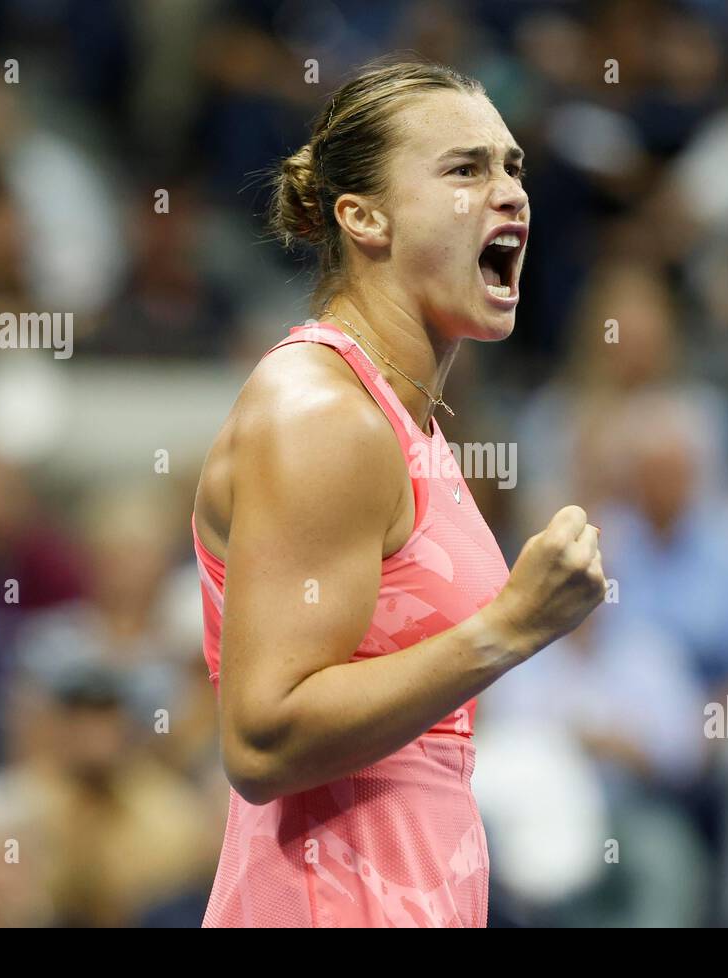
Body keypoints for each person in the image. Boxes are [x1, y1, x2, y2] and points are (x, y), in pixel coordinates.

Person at [190, 59, 605, 927]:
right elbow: (263, 738)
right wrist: (510, 629)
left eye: (513, 167)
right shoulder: (320, 413)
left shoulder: (403, 422)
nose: (510, 194)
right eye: (465, 169)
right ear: (363, 216)